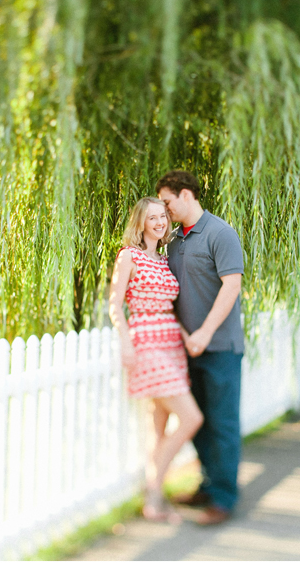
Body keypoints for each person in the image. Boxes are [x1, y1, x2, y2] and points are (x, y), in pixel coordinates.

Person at [156, 170, 245, 526]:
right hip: (186, 349)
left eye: (167, 202)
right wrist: (184, 335)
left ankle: (224, 499)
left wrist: (205, 333)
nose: (164, 210)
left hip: (220, 347)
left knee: (222, 423)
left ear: (186, 195)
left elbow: (231, 286)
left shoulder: (220, 233)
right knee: (199, 423)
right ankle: (208, 486)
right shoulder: (173, 241)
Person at [109, 197, 204, 523]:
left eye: (163, 216)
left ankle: (155, 501)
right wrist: (126, 342)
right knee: (191, 418)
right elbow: (115, 303)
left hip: (171, 343)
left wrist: (186, 335)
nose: (160, 222)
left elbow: (168, 307)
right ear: (141, 222)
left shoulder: (163, 260)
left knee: (159, 428)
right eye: (152, 217)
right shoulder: (128, 256)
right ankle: (153, 490)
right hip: (147, 343)